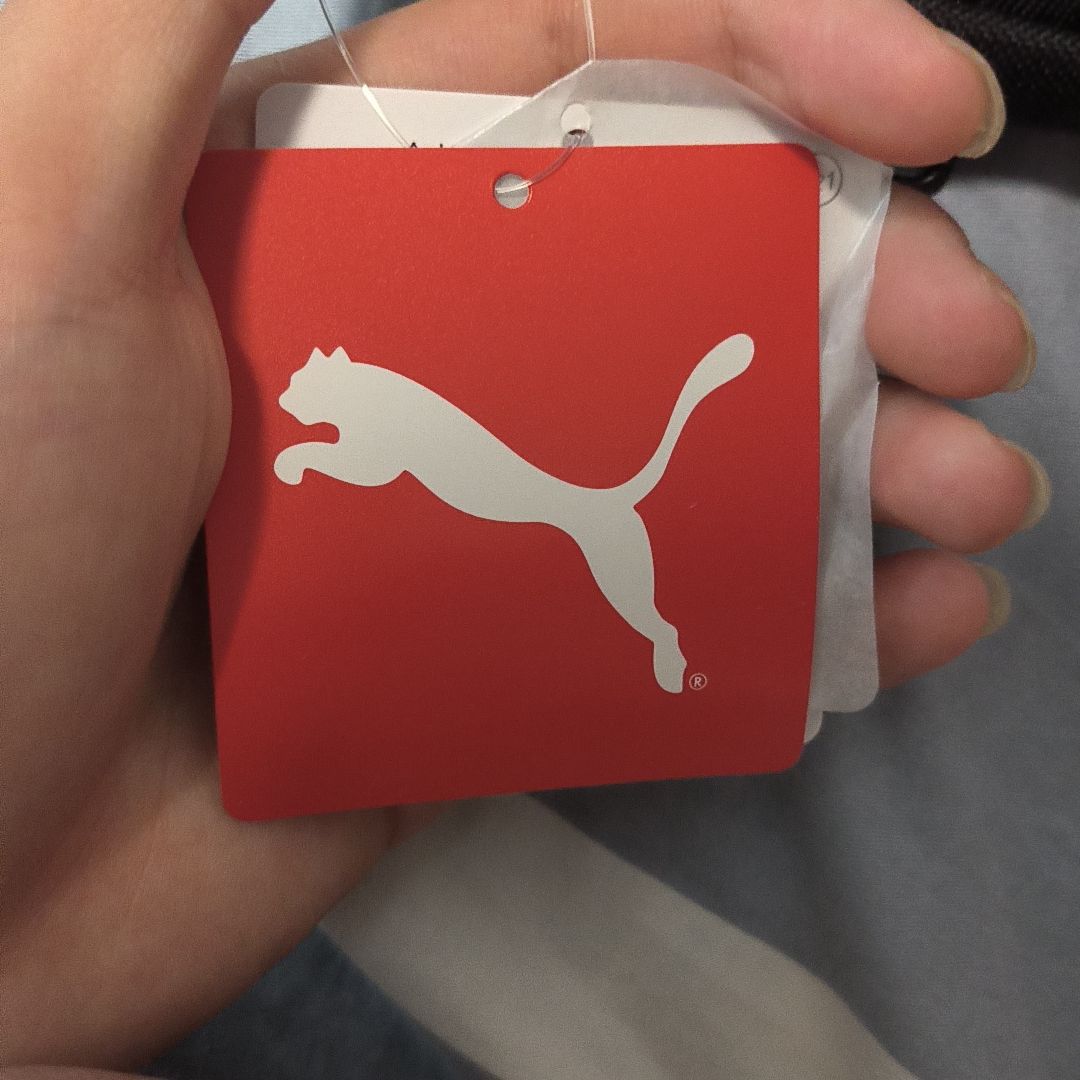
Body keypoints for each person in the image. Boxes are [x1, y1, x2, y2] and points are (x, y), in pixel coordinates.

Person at [0, 0, 1050, 1074]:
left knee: (635, 570)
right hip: (292, 889)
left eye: (316, 397)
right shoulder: (373, 394)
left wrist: (308, 459)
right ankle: (663, 641)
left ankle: (664, 644)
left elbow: (376, 461)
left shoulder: (381, 408)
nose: (310, 405)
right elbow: (372, 446)